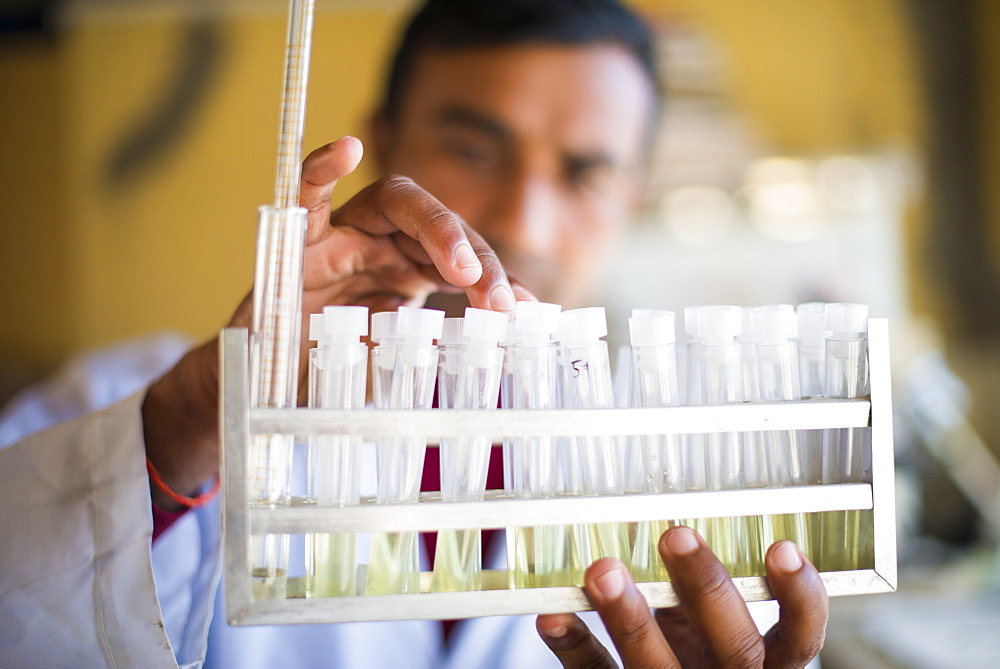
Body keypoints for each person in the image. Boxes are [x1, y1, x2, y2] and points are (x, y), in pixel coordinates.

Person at [0, 1, 828, 667]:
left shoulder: (695, 481)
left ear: (634, 196)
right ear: (381, 140)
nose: (522, 219)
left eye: (587, 173)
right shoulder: (138, 409)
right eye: (474, 146)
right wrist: (194, 421)